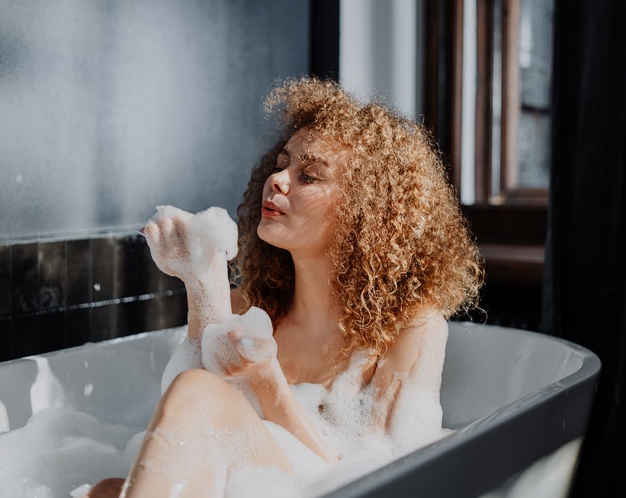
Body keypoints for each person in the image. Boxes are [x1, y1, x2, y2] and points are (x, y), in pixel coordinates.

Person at [86, 76, 483, 498]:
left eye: (308, 175)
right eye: (281, 164)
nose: (278, 179)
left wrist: (266, 377)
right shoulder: (249, 306)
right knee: (107, 490)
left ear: (367, 211)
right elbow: (192, 427)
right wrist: (202, 281)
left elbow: (370, 477)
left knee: (194, 394)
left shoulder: (412, 328)